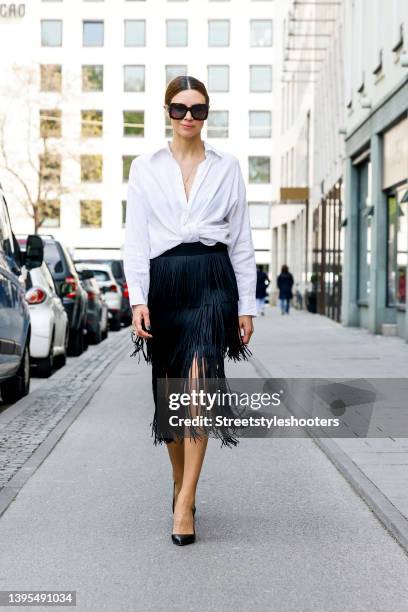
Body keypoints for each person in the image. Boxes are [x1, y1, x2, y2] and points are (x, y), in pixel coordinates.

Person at [123, 75, 257, 546]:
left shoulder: (227, 166)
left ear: (207, 114)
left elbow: (241, 240)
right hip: (164, 283)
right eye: (179, 109)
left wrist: (247, 305)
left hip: (211, 280)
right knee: (172, 396)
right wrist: (137, 298)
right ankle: (180, 481)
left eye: (197, 110)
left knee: (199, 387)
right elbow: (135, 240)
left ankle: (185, 503)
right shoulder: (145, 167)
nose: (188, 118)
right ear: (166, 111)